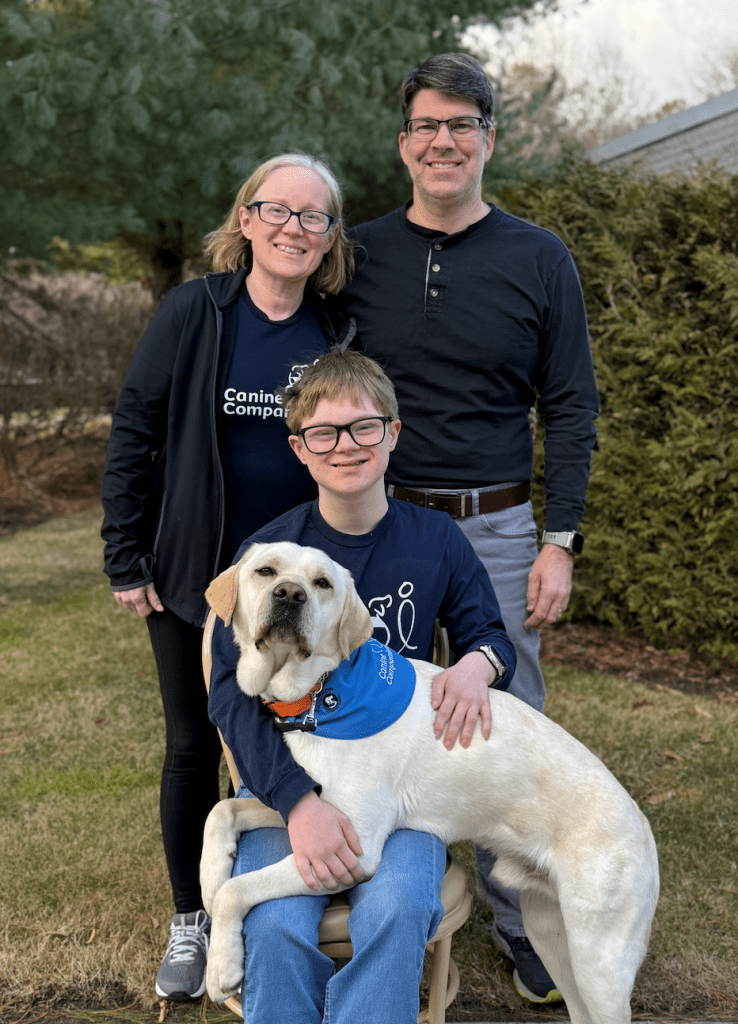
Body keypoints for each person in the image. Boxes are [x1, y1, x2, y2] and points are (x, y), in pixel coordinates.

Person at [336, 53, 600, 1004]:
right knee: (375, 717)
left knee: (504, 731)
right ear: (403, 142)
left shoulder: (540, 257)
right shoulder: (355, 257)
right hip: (384, 526)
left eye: (461, 125)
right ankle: (383, 911)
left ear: (489, 138)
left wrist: (558, 541)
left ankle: (520, 923)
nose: (442, 142)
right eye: (426, 126)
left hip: (498, 529)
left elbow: (571, 405)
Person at [100, 153, 356, 1001]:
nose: (294, 228)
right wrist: (125, 554)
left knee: (303, 740)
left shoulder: (338, 330)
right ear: (246, 220)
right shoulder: (195, 311)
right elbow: (134, 429)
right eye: (277, 210)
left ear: (330, 239)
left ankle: (295, 898)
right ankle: (192, 916)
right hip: (197, 575)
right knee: (192, 743)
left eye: (313, 217)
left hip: (297, 585)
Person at [207, 347, 517, 1024]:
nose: (346, 446)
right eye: (324, 433)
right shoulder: (269, 556)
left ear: (392, 433)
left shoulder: (436, 538)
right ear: (300, 448)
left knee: (398, 907)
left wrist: (476, 667)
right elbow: (229, 694)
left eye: (364, 427)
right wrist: (298, 804)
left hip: (399, 791)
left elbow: (491, 638)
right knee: (276, 923)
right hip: (287, 782)